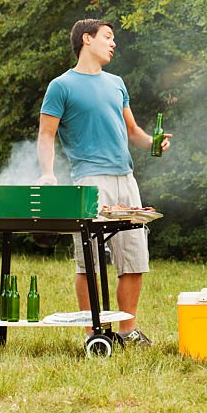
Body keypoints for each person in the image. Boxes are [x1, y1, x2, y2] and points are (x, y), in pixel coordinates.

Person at [37, 19, 170, 346]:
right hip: (89, 181)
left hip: (126, 179)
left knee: (134, 258)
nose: (113, 44)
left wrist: (153, 143)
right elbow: (46, 134)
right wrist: (47, 173)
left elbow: (132, 131)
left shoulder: (116, 83)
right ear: (87, 39)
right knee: (89, 261)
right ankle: (92, 332)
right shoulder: (61, 86)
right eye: (107, 37)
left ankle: (127, 331)